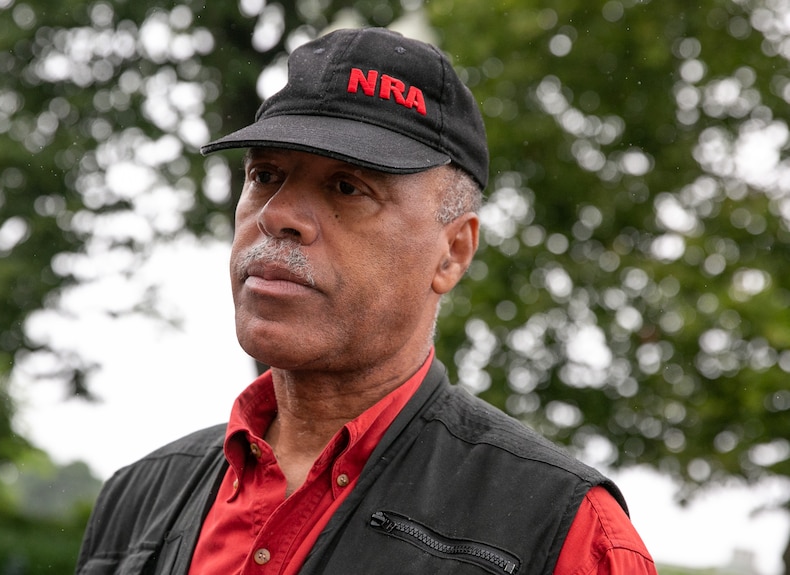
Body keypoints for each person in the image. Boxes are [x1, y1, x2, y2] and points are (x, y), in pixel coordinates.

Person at [75, 27, 657, 575]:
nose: (278, 215)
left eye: (348, 187)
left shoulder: (566, 535)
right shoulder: (137, 501)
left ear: (453, 252)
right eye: (265, 175)